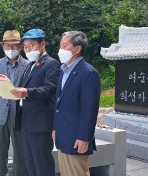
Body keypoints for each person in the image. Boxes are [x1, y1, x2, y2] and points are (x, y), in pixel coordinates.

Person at [10, 28, 60, 176]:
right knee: (30, 163)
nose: (27, 50)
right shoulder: (30, 65)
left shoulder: (51, 64)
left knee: (42, 163)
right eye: (25, 47)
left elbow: (50, 89)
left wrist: (27, 92)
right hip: (26, 121)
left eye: (31, 46)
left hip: (40, 123)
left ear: (42, 44)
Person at [52, 31, 101, 176]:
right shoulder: (63, 71)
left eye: (64, 46)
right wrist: (55, 128)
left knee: (77, 173)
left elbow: (89, 109)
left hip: (76, 138)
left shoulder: (88, 73)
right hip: (63, 135)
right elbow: (59, 103)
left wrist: (84, 137)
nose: (60, 50)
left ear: (77, 49)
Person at [0, 30, 28, 176]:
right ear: (3, 46)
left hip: (19, 114)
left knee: (20, 151)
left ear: (20, 47)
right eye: (7, 46)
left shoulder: (28, 65)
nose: (11, 49)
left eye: (14, 46)